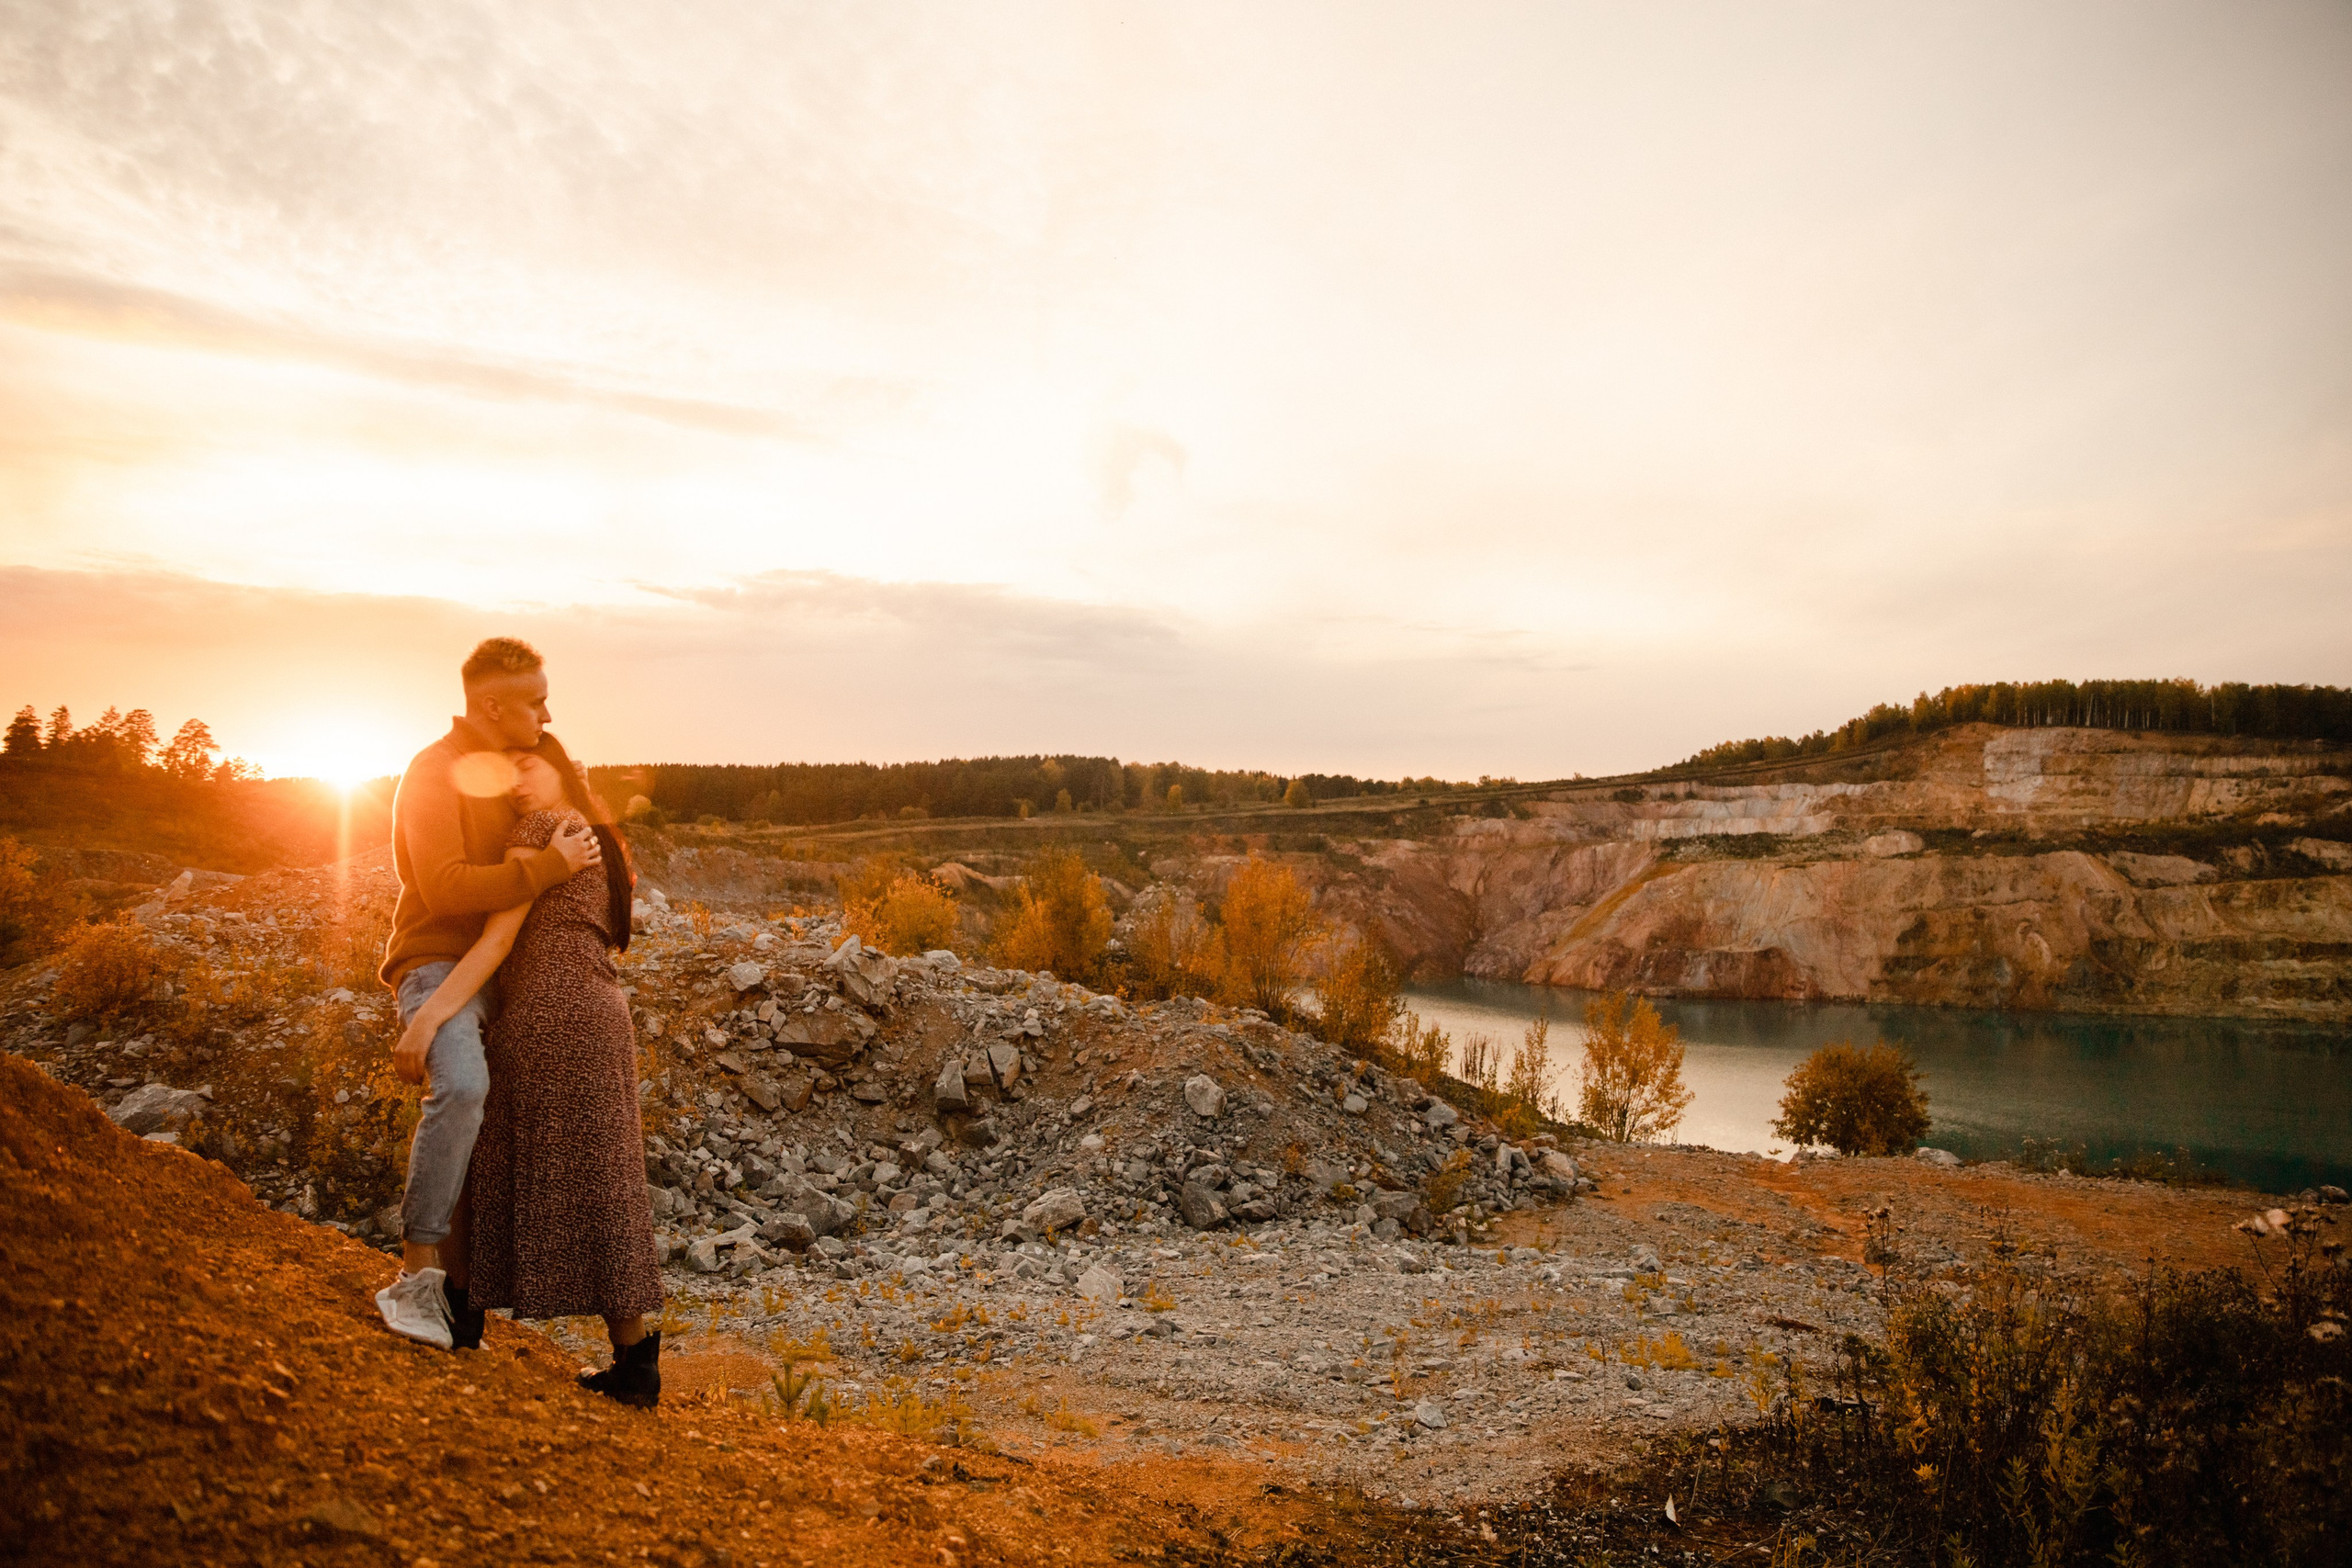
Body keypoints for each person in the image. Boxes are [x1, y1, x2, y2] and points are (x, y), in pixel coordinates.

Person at [389, 735, 666, 1406]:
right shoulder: (602, 839)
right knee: (606, 1176)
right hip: (602, 1013)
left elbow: (497, 939)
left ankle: (460, 1311)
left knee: (483, 1152)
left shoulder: (542, 830)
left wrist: (427, 1019)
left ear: (561, 767)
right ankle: (635, 1358)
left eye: (527, 765)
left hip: (546, 1010)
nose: (516, 781)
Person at [375, 637, 601, 1350]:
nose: (547, 711)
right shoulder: (433, 773)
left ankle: (467, 1300)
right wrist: (546, 867)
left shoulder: (514, 779)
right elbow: (444, 886)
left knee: (509, 1125)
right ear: (491, 704)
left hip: (500, 977)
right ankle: (413, 1278)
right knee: (464, 1087)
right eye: (535, 699)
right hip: (437, 968)